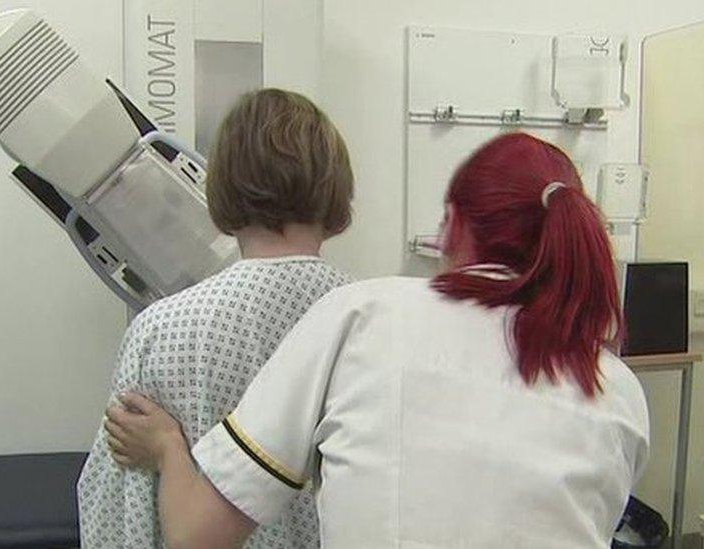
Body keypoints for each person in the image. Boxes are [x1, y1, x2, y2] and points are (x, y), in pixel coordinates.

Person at [106, 132, 650, 548]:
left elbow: (195, 535)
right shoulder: (619, 391)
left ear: (454, 226)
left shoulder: (363, 314)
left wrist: (167, 450)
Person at [77, 88, 355, 548]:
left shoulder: (161, 331)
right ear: (337, 189)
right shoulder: (373, 321)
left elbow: (117, 511)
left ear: (221, 187)